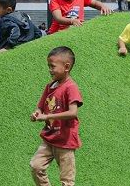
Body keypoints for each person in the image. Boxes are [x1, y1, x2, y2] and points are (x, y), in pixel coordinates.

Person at [29, 46, 83, 186]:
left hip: (65, 141)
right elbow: (40, 107)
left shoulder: (70, 87)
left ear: (66, 67)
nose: (50, 69)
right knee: (36, 166)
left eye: (52, 66)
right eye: (49, 66)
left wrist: (46, 117)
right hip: (49, 138)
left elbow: (73, 112)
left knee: (67, 180)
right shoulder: (50, 86)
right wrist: (37, 114)